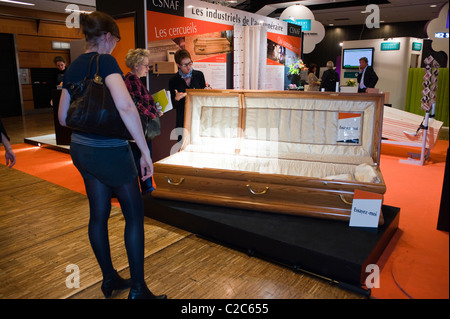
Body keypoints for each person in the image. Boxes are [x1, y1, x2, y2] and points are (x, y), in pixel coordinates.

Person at [58, 11, 166, 300]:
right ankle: (139, 290)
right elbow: (127, 108)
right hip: (111, 151)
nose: (115, 45)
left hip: (81, 149)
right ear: (106, 37)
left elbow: (63, 118)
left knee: (98, 215)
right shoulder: (105, 62)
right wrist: (145, 152)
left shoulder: (73, 66)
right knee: (133, 215)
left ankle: (109, 280)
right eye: (115, 40)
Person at [124, 48, 161, 195]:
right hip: (139, 129)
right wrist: (153, 114)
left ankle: (147, 188)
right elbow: (137, 104)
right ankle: (147, 189)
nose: (148, 68)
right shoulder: (132, 80)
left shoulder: (134, 80)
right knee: (143, 159)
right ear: (136, 65)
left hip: (140, 128)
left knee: (142, 159)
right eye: (146, 65)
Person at [168, 49, 208, 133]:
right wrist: (176, 99)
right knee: (182, 144)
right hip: (183, 121)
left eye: (190, 63)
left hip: (199, 118)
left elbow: (204, 99)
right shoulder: (173, 80)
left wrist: (207, 92)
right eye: (185, 65)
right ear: (178, 65)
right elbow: (173, 105)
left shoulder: (199, 75)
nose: (189, 67)